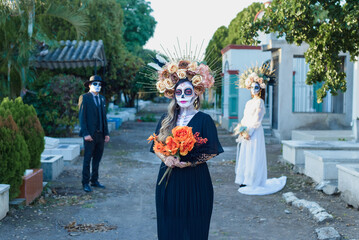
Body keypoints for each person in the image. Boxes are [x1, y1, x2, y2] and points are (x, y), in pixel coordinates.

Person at [150, 59, 223, 240]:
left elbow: (212, 150)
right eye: (179, 92)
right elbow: (156, 145)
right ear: (173, 94)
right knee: (170, 225)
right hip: (169, 180)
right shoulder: (166, 119)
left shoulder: (205, 120)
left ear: (196, 94)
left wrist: (189, 162)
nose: (183, 95)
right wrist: (166, 158)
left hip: (195, 181)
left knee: (194, 226)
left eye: (188, 91)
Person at [234, 74, 286, 195]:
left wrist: (249, 132)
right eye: (252, 87)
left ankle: (254, 179)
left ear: (260, 88)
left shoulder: (260, 102)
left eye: (256, 87)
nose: (254, 89)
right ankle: (245, 179)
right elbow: (245, 118)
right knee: (246, 155)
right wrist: (242, 130)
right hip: (246, 131)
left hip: (255, 132)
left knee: (254, 155)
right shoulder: (248, 103)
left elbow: (257, 119)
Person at [78, 75, 110, 192]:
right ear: (90, 85)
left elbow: (104, 117)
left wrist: (106, 133)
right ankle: (85, 183)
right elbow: (82, 117)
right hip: (89, 135)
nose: (98, 86)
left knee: (97, 159)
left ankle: (94, 180)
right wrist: (85, 133)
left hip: (100, 134)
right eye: (95, 84)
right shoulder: (84, 98)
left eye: (99, 84)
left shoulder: (101, 99)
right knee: (87, 159)